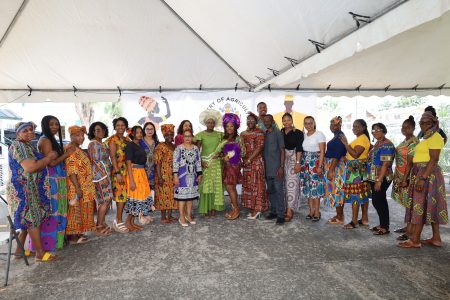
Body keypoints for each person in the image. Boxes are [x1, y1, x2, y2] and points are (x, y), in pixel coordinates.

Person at [6, 121, 58, 262]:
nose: (30, 132)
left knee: (28, 219)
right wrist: (48, 158)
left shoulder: (25, 145)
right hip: (23, 189)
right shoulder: (18, 146)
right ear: (18, 133)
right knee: (32, 219)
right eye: (25, 131)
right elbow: (30, 167)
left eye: (31, 130)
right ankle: (40, 253)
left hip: (29, 188)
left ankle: (19, 251)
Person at [399, 111, 448, 248]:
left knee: (418, 206)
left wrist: (422, 178)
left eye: (428, 123)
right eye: (422, 123)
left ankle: (415, 240)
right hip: (421, 172)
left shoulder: (436, 137)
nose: (424, 125)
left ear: (434, 123)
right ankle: (436, 238)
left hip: (428, 175)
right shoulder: (426, 137)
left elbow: (434, 159)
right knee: (431, 206)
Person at [35, 115, 74, 252]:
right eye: (51, 124)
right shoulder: (46, 140)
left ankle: (56, 242)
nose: (54, 127)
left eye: (56, 124)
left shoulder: (49, 138)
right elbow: (51, 162)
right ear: (45, 125)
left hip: (57, 180)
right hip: (52, 181)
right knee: (55, 212)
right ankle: (51, 244)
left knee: (59, 211)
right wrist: (67, 154)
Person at [65, 126, 96, 244]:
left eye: (83, 135)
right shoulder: (71, 149)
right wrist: (77, 187)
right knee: (75, 211)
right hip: (76, 185)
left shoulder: (77, 148)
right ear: (71, 136)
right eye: (78, 135)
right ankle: (73, 237)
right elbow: (71, 170)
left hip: (84, 185)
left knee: (83, 209)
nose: (81, 138)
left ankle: (78, 233)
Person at [391, 116, 419, 241]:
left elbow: (410, 163)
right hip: (400, 175)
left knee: (411, 203)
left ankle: (410, 231)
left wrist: (405, 179)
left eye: (408, 127)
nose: (405, 129)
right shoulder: (405, 141)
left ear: (413, 128)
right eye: (403, 127)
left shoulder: (413, 142)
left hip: (408, 176)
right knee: (407, 203)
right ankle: (407, 227)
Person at [340, 119, 371, 229]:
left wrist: (346, 144)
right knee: (362, 194)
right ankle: (364, 218)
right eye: (353, 126)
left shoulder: (362, 139)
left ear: (363, 127)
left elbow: (356, 154)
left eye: (357, 126)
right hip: (358, 168)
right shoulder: (361, 138)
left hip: (356, 170)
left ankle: (354, 221)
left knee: (355, 195)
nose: (354, 128)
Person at [124, 126, 154, 231]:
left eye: (141, 132)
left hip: (141, 173)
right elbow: (128, 163)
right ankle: (128, 222)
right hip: (134, 173)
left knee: (140, 197)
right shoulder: (130, 145)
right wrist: (131, 181)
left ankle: (131, 222)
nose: (140, 134)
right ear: (132, 134)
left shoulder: (138, 144)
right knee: (135, 198)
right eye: (137, 132)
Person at [367, 123, 395, 235]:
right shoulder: (378, 143)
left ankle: (385, 227)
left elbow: (385, 164)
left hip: (382, 177)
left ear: (383, 130)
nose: (375, 132)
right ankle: (383, 224)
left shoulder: (387, 145)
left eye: (377, 130)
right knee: (379, 201)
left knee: (378, 201)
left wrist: (379, 180)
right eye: (373, 130)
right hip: (374, 176)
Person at [195, 109, 224, 217]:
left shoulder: (220, 135)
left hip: (216, 164)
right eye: (208, 122)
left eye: (212, 122)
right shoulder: (200, 135)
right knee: (206, 186)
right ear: (205, 123)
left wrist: (221, 155)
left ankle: (213, 208)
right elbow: (196, 151)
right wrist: (201, 162)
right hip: (205, 164)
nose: (210, 124)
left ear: (215, 123)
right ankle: (205, 208)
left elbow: (224, 149)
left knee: (215, 186)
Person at [87, 122, 114, 236]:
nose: (100, 132)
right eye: (97, 130)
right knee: (105, 200)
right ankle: (98, 226)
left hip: (106, 175)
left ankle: (102, 223)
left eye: (102, 130)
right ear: (93, 132)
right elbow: (94, 162)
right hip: (100, 177)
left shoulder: (101, 143)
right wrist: (102, 177)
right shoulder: (93, 144)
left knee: (104, 201)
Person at [241, 112, 268, 219]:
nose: (250, 122)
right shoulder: (242, 133)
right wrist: (243, 159)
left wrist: (249, 159)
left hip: (256, 162)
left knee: (257, 184)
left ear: (256, 122)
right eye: (248, 120)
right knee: (249, 184)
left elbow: (259, 147)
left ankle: (258, 209)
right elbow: (241, 148)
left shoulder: (260, 132)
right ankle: (252, 207)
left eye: (252, 120)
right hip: (246, 163)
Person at [106, 117, 131, 233]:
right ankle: (118, 220)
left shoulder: (127, 139)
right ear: (115, 127)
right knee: (120, 196)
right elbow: (113, 158)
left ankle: (119, 220)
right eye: (118, 125)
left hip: (127, 170)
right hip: (118, 170)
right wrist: (117, 173)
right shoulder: (113, 140)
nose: (120, 127)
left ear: (125, 127)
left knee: (124, 196)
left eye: (122, 125)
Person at [173, 129, 202, 226]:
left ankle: (188, 216)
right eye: (185, 136)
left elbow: (198, 162)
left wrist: (199, 174)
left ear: (192, 137)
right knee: (182, 199)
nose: (187, 138)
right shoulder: (179, 148)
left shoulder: (195, 148)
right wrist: (175, 176)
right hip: (181, 176)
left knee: (190, 198)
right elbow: (175, 163)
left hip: (193, 177)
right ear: (183, 137)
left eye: (189, 136)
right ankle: (181, 217)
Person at [300, 116, 326, 222]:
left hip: (315, 164)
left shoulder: (319, 134)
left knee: (315, 188)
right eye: (306, 123)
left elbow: (322, 152)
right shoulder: (305, 135)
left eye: (310, 123)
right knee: (308, 189)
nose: (308, 125)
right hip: (305, 164)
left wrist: (319, 166)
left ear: (314, 123)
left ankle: (317, 212)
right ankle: (311, 211)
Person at [324, 117, 347, 225]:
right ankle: (339, 214)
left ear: (340, 125)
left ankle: (339, 217)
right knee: (336, 191)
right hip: (334, 166)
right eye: (332, 125)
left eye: (336, 125)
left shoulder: (340, 137)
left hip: (336, 167)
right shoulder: (337, 136)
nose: (334, 127)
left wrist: (331, 170)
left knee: (338, 191)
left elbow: (337, 155)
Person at [263, 114, 286, 225]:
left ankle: (281, 215)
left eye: (268, 120)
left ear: (272, 121)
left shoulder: (278, 132)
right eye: (265, 121)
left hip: (277, 168)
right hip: (267, 169)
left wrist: (281, 167)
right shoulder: (265, 133)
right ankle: (274, 212)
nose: (266, 122)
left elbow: (282, 151)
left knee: (279, 192)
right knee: (271, 191)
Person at [281, 112, 303, 221]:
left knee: (292, 186)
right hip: (282, 160)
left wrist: (298, 163)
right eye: (284, 120)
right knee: (284, 185)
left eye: (288, 120)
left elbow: (299, 148)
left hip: (294, 160)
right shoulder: (280, 132)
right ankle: (287, 207)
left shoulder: (298, 133)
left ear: (292, 120)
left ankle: (290, 210)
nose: (286, 122)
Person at [221, 113, 244, 220]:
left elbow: (243, 152)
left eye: (232, 126)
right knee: (230, 188)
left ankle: (236, 210)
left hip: (234, 166)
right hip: (226, 166)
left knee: (231, 187)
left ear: (235, 127)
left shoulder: (238, 138)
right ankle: (234, 209)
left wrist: (232, 157)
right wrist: (223, 157)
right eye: (227, 126)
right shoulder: (223, 138)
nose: (229, 128)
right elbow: (220, 152)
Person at [154, 124, 178, 223]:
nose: (169, 135)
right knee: (162, 196)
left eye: (171, 134)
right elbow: (158, 163)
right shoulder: (160, 146)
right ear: (163, 135)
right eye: (167, 134)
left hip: (172, 174)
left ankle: (170, 216)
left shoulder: (174, 145)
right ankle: (163, 217)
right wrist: (159, 177)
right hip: (163, 175)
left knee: (171, 195)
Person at [139, 122, 159, 190]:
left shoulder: (157, 142)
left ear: (154, 130)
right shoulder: (140, 141)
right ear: (144, 130)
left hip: (154, 171)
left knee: (153, 194)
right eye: (147, 129)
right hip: (142, 171)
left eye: (151, 129)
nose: (149, 131)